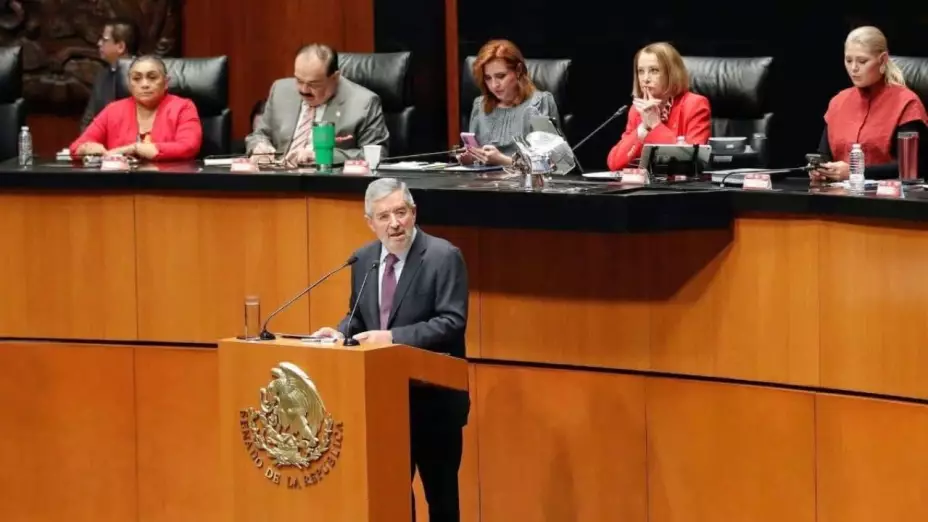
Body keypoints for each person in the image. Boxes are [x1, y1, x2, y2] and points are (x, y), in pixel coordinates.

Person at [311, 178, 469, 522]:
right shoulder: (364, 259)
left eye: (401, 212)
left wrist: (392, 337)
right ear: (370, 223)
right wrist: (339, 333)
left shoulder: (443, 256)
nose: (394, 223)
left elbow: (451, 322)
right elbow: (358, 316)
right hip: (384, 402)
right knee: (393, 498)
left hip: (434, 402)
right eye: (384, 216)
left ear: (414, 213)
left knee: (442, 502)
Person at [811, 26, 928, 181]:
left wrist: (856, 172)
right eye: (848, 60)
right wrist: (820, 169)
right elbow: (824, 155)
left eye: (862, 61)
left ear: (883, 60)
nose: (853, 68)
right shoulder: (838, 102)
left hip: (888, 193)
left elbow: (914, 166)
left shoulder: (906, 103)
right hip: (839, 193)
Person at [245, 43, 390, 166]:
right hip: (278, 179)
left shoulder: (364, 103)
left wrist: (321, 156)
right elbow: (259, 134)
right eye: (299, 80)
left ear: (335, 77)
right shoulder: (280, 90)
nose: (303, 90)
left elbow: (378, 155)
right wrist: (259, 146)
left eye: (314, 84)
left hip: (327, 183)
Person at [70, 55, 203, 161]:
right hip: (120, 182)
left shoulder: (183, 107)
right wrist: (86, 149)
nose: (144, 84)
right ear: (129, 84)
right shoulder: (113, 110)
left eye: (152, 77)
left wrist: (134, 149)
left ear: (166, 82)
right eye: (136, 78)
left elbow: (189, 146)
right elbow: (76, 147)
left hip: (169, 181)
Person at [606, 42, 711, 171]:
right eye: (640, 71)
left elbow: (690, 161)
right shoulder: (638, 110)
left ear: (672, 73)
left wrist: (655, 124)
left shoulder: (694, 105)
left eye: (654, 71)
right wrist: (643, 128)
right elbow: (614, 163)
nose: (645, 79)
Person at [461, 39, 560, 166]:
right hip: (484, 179)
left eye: (501, 76)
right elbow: (478, 159)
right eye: (488, 78)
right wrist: (471, 159)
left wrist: (504, 161)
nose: (494, 85)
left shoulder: (540, 103)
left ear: (518, 70)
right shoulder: (480, 105)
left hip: (525, 179)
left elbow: (551, 163)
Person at [80, 18, 139, 132]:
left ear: (120, 47)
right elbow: (88, 120)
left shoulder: (146, 77)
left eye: (104, 40)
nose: (99, 43)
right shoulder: (102, 76)